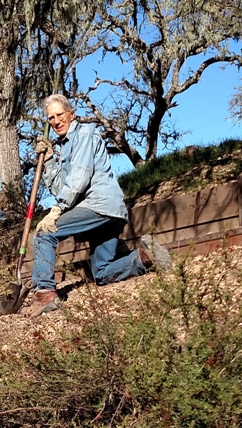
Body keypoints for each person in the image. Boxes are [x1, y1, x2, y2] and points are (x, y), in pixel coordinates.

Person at [30, 94, 171, 316]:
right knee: (103, 274)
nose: (55, 121)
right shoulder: (65, 147)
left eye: (59, 115)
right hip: (108, 214)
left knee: (44, 234)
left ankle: (45, 294)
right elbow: (62, 187)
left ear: (72, 114)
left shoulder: (85, 134)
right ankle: (144, 257)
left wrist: (56, 210)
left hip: (99, 205)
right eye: (50, 118)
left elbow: (80, 178)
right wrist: (48, 161)